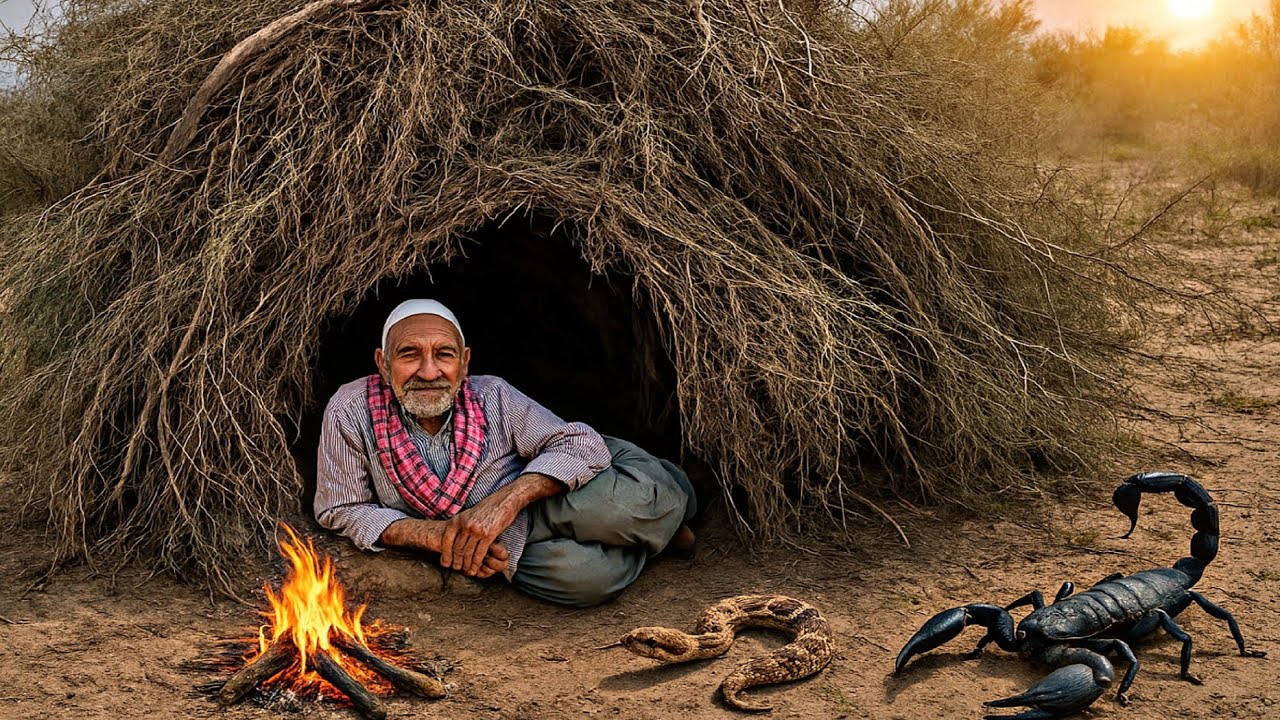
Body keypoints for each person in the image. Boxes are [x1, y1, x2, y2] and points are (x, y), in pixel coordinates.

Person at [314, 299, 696, 607]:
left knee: (626, 506)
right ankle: (656, 537)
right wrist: (440, 536)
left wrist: (504, 503)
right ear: (382, 363)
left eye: (444, 355)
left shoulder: (492, 393)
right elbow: (340, 508)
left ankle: (674, 499)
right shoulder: (350, 409)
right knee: (586, 581)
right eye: (410, 354)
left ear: (464, 362)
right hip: (496, 541)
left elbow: (578, 443)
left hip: (542, 493)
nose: (429, 372)